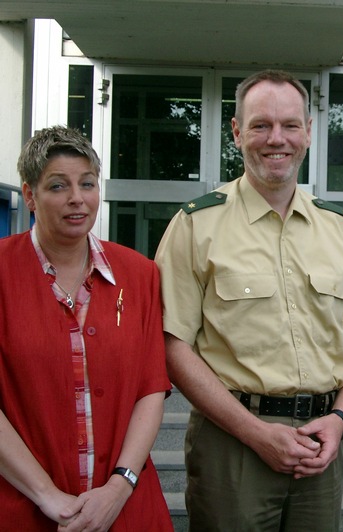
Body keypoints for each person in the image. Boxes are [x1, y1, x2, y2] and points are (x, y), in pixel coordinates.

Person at [154, 69, 343, 531]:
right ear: (237, 132)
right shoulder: (196, 225)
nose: (277, 139)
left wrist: (339, 418)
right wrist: (254, 433)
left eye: (290, 125)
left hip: (322, 443)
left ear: (309, 132)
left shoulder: (340, 229)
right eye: (261, 125)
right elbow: (172, 344)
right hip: (231, 445)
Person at [0, 126, 173, 531]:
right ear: (29, 195)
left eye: (87, 183)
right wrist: (48, 496)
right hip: (24, 508)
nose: (77, 198)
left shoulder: (140, 274)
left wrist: (118, 488)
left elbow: (151, 388)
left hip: (127, 508)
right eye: (58, 186)